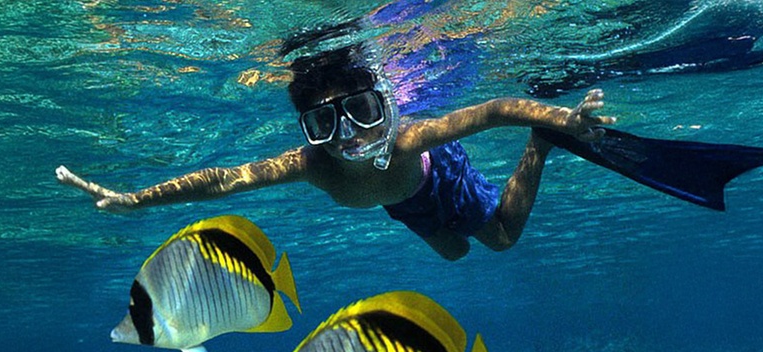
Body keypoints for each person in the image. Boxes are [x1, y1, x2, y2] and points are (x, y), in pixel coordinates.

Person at [56, 42, 615, 261]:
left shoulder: (407, 141)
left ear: (384, 107)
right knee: (454, 254)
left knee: (499, 239)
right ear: (310, 129)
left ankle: (540, 149)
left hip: (434, 179)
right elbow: (225, 180)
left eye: (363, 113)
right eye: (326, 122)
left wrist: (562, 119)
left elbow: (491, 110)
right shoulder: (314, 165)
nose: (350, 135)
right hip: (401, 205)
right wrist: (135, 200)